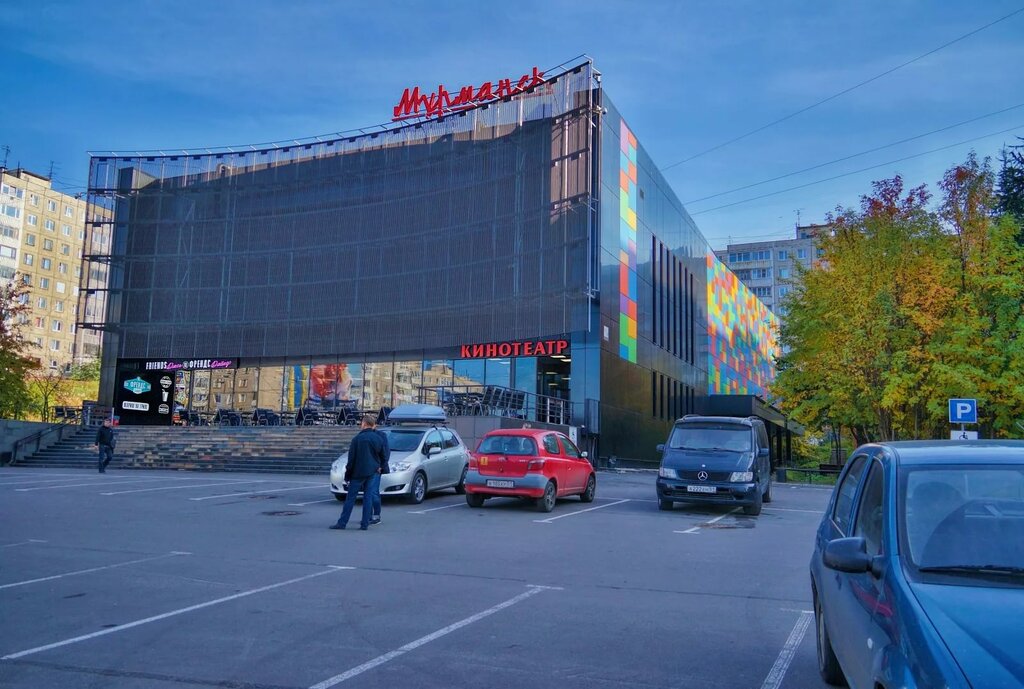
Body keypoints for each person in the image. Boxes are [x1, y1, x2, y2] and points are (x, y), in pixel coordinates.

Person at [331, 414, 387, 531]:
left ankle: (342, 523)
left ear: (364, 424)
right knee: (368, 497)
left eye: (361, 423)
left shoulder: (357, 439)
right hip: (372, 472)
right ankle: (365, 523)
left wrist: (348, 475)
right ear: (373, 425)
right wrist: (381, 467)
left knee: (350, 498)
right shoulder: (378, 438)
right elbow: (383, 456)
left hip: (358, 473)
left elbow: (351, 459)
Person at [368, 419, 391, 526]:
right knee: (368, 492)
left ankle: (376, 515)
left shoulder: (381, 436)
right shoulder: (362, 435)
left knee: (373, 492)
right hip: (366, 468)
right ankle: (368, 515)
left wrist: (381, 466)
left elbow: (386, 452)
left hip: (376, 468)